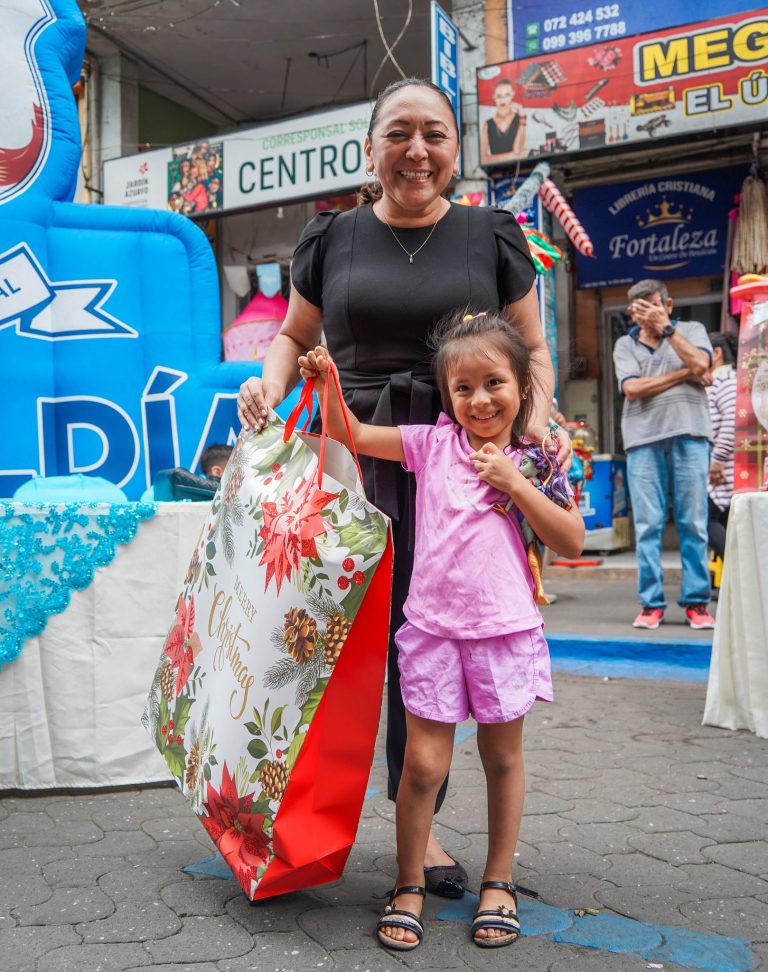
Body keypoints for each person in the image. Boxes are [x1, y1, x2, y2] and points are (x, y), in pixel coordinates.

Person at [237, 77, 570, 898]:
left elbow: (531, 347)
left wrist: (539, 418)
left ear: (456, 150)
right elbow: (292, 334)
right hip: (353, 453)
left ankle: (417, 829)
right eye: (398, 134)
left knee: (423, 639)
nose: (417, 151)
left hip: (454, 459)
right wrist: (265, 384)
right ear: (371, 148)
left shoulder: (490, 233)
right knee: (330, 639)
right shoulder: (332, 237)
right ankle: (287, 813)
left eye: (435, 135)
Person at [298, 313, 583, 951]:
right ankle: (407, 883)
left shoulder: (536, 458)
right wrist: (328, 382)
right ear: (446, 394)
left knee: (502, 759)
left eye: (494, 383)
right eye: (463, 388)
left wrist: (517, 485)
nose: (480, 400)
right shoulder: (431, 444)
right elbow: (349, 434)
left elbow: (569, 538)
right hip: (430, 633)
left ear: (521, 386)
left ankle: (499, 881)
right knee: (422, 766)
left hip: (503, 633)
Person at [613, 279, 716, 630]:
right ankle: (651, 603)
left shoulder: (691, 329)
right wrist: (689, 373)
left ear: (668, 305)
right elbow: (633, 388)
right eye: (640, 310)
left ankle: (697, 603)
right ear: (631, 312)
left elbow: (702, 363)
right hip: (642, 440)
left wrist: (667, 329)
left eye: (654, 307)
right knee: (648, 526)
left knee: (694, 523)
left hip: (691, 435)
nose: (647, 315)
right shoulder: (624, 345)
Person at [707, 332, 738, 563]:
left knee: (705, 520)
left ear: (716, 353)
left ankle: (739, 569)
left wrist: (716, 459)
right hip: (723, 467)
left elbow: (732, 423)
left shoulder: (726, 381)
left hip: (724, 468)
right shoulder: (721, 381)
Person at [480, 78, 527, 165]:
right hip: (497, 173)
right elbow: (483, 159)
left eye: (507, 95)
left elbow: (518, 151)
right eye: (499, 96)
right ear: (493, 97)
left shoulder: (520, 118)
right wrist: (511, 156)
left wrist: (523, 119)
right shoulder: (488, 124)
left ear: (512, 95)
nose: (502, 100)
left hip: (520, 170)